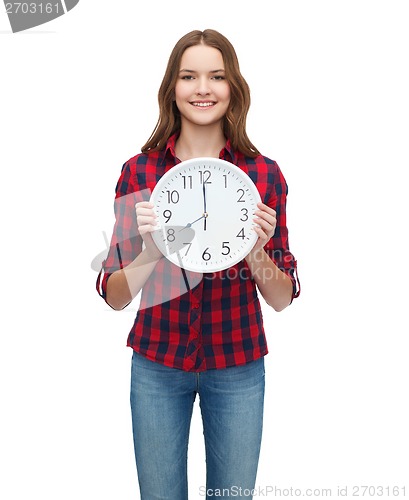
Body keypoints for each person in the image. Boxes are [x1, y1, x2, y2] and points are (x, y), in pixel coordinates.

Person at [96, 29, 300, 500]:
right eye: (189, 76)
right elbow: (114, 294)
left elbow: (282, 298)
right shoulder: (140, 171)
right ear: (172, 88)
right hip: (157, 363)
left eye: (217, 76)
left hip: (238, 365)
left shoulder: (263, 174)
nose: (203, 88)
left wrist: (255, 249)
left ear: (234, 89)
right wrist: (150, 247)